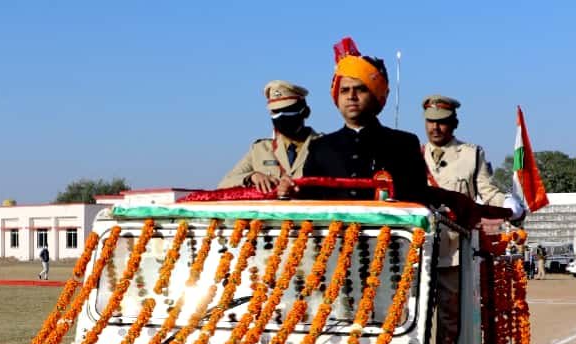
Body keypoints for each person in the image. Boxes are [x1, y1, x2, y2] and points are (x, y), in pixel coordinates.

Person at [278, 38, 429, 202]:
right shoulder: (320, 148)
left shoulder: (404, 144)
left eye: (360, 89)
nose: (351, 96)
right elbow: (309, 201)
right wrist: (292, 191)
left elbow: (418, 201)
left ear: (376, 96)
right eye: (344, 90)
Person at [421, 95, 524, 219]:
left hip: (458, 228)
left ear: (455, 124)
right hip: (420, 229)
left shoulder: (472, 155)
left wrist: (506, 202)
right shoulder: (413, 154)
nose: (435, 127)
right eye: (430, 121)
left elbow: (488, 193)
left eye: (442, 122)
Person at [219, 81, 321, 192]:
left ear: (306, 112)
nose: (281, 117)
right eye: (276, 112)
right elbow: (224, 183)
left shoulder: (326, 147)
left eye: (287, 110)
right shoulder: (260, 149)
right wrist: (252, 177)